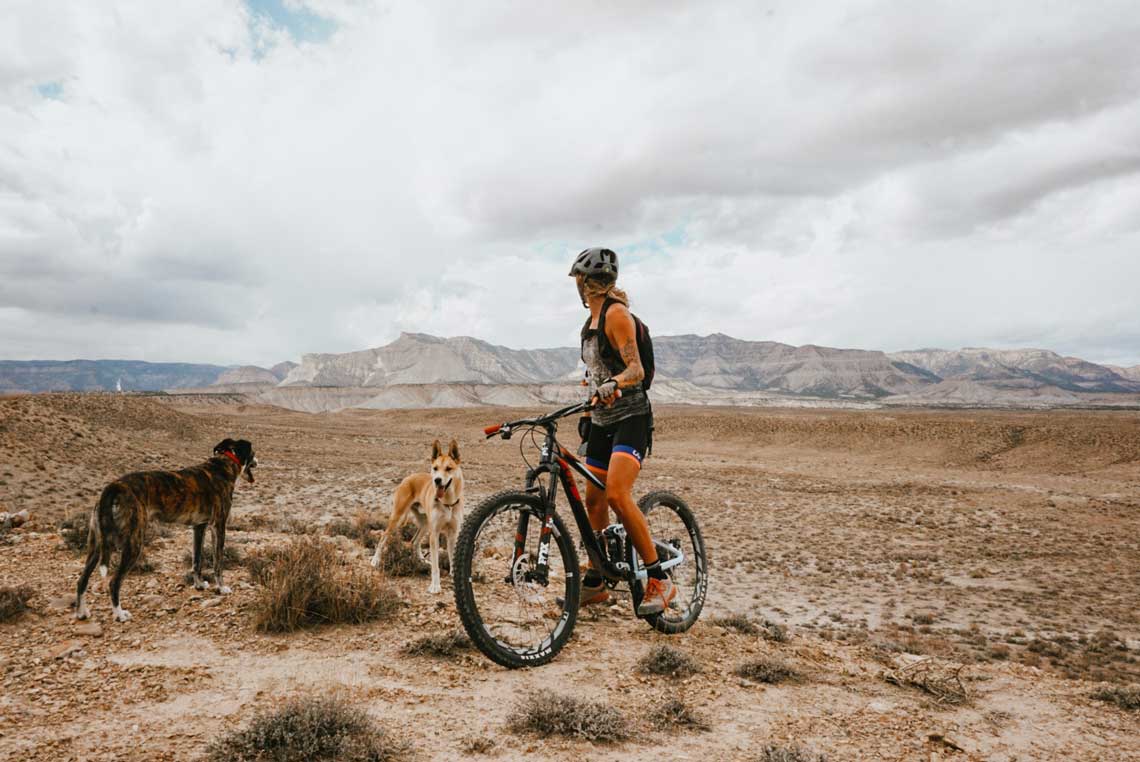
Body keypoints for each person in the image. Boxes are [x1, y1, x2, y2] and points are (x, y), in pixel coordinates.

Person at [569, 247, 676, 616]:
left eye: (579, 281)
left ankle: (658, 578)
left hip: (630, 418)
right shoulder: (589, 325)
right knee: (593, 500)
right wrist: (589, 399)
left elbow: (636, 371)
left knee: (616, 494)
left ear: (587, 284)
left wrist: (613, 383)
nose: (577, 288)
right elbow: (594, 373)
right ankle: (597, 580)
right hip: (600, 420)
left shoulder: (617, 316)